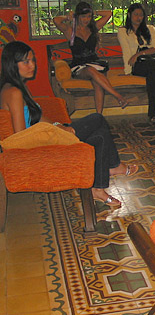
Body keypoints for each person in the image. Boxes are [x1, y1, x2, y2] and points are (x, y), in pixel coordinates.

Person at [0, 41, 138, 207]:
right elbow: (20, 135)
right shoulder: (13, 92)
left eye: (32, 60)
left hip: (45, 134)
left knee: (100, 137)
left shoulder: (18, 86)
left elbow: (38, 115)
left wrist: (59, 126)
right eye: (26, 62)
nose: (32, 65)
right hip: (39, 142)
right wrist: (56, 133)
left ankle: (99, 188)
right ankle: (114, 166)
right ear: (11, 64)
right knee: (97, 118)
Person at [53, 2, 128, 113]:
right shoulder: (70, 31)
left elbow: (108, 14)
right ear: (77, 16)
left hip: (95, 63)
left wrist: (94, 11)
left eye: (89, 16)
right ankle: (118, 96)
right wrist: (69, 17)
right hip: (79, 66)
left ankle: (99, 116)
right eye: (83, 16)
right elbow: (56, 20)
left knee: (97, 83)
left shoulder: (94, 28)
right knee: (90, 70)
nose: (86, 19)